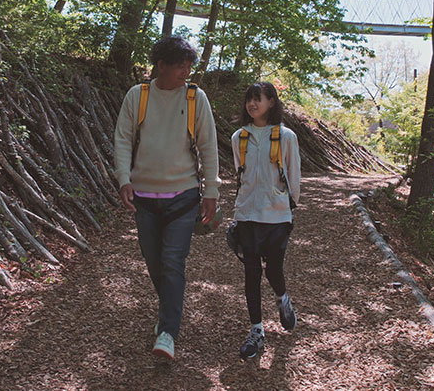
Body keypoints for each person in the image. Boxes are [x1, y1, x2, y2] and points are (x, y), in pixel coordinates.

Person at [113, 36, 220, 360]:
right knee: (156, 264)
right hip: (144, 197)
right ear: (161, 65)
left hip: (183, 196)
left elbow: (208, 146)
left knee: (173, 262)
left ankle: (167, 333)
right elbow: (122, 140)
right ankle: (169, 315)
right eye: (180, 65)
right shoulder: (139, 95)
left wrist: (211, 193)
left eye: (189, 65)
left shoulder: (194, 97)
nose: (186, 71)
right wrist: (124, 180)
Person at [230, 81, 300, 359]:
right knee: (251, 273)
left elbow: (294, 177)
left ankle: (283, 299)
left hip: (277, 216)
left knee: (273, 271)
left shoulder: (286, 137)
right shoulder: (239, 137)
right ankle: (256, 330)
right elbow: (241, 174)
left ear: (271, 102)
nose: (252, 104)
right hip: (247, 215)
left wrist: (290, 210)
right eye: (249, 99)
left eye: (258, 98)